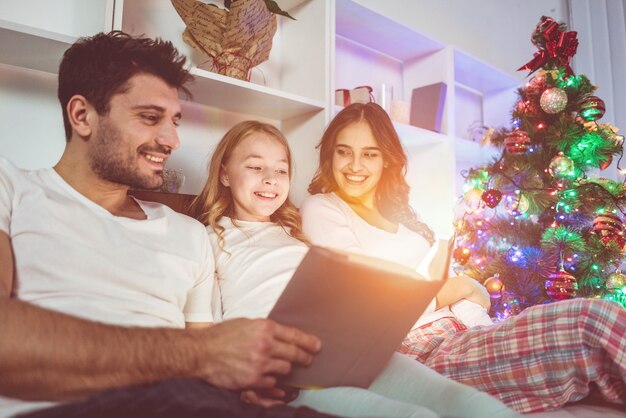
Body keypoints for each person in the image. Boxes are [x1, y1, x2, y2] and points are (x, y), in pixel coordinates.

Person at [0, 31, 340, 418]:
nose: (173, 140)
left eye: (175, 121)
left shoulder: (188, 234)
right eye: (149, 118)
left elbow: (211, 362)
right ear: (82, 116)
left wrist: (244, 380)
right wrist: (201, 354)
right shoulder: (11, 189)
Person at [299, 102, 626, 413]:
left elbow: (452, 283)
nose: (355, 166)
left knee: (597, 359)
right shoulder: (323, 207)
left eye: (369, 154)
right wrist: (456, 289)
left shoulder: (401, 218)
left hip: (464, 331)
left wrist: (478, 311)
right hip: (415, 351)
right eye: (344, 152)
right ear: (330, 155)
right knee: (590, 322)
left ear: (386, 159)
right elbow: (362, 296)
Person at [189, 120, 520, 418]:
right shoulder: (206, 239)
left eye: (281, 170)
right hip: (282, 367)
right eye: (255, 166)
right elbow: (204, 331)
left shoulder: (296, 233)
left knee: (465, 403)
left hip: (344, 350)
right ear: (224, 173)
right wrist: (239, 377)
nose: (270, 180)